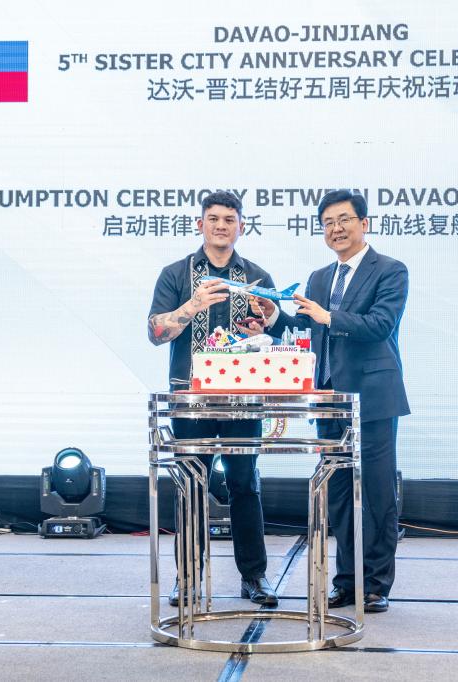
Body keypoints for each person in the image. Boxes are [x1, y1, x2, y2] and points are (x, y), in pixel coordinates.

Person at [249, 188, 409, 613]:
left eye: (344, 220)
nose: (336, 229)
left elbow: (380, 325)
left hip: (373, 399)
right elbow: (308, 331)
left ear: (364, 224)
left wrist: (328, 316)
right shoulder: (320, 278)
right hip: (328, 400)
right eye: (328, 223)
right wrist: (272, 317)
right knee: (337, 492)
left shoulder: (390, 270)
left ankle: (376, 585)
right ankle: (347, 581)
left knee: (376, 493)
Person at [147, 190, 278, 606]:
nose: (221, 225)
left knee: (245, 485)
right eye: (214, 218)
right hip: (190, 398)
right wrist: (191, 306)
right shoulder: (175, 274)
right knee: (190, 486)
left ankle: (254, 578)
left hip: (244, 397)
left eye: (229, 219)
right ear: (200, 223)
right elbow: (155, 332)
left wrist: (265, 323)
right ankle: (187, 579)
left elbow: (275, 334)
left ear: (242, 226)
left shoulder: (257, 276)